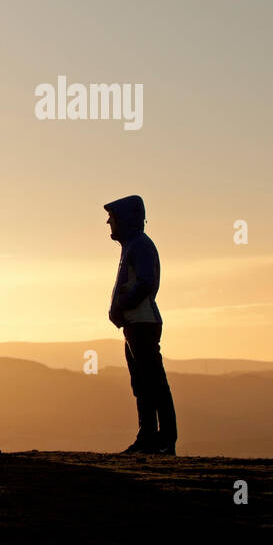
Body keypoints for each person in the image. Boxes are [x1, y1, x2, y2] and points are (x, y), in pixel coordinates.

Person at [104, 195, 177, 455]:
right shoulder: (133, 246)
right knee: (142, 383)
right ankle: (148, 437)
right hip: (134, 324)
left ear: (124, 219)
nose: (108, 222)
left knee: (153, 382)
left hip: (143, 323)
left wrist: (121, 304)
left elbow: (146, 282)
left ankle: (164, 440)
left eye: (112, 218)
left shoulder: (141, 246)